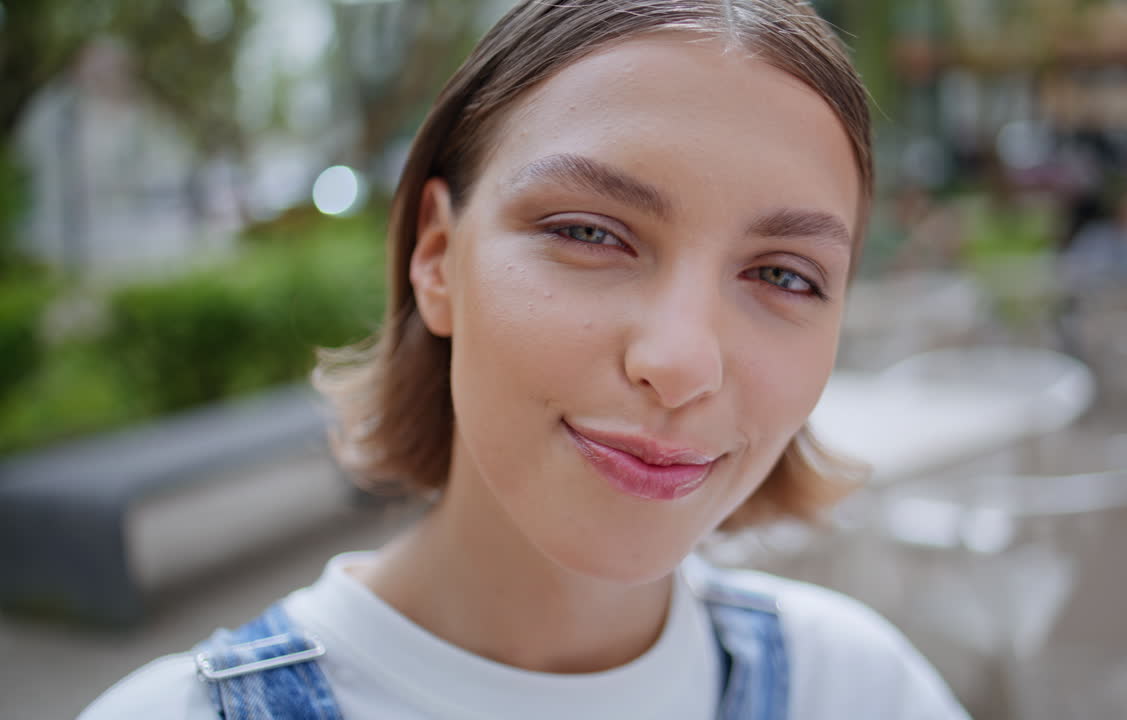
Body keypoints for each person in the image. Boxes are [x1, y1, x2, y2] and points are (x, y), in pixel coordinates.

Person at [79, 2, 970, 718]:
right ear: (437, 257)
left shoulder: (860, 689)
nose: (681, 361)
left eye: (784, 274)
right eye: (589, 232)